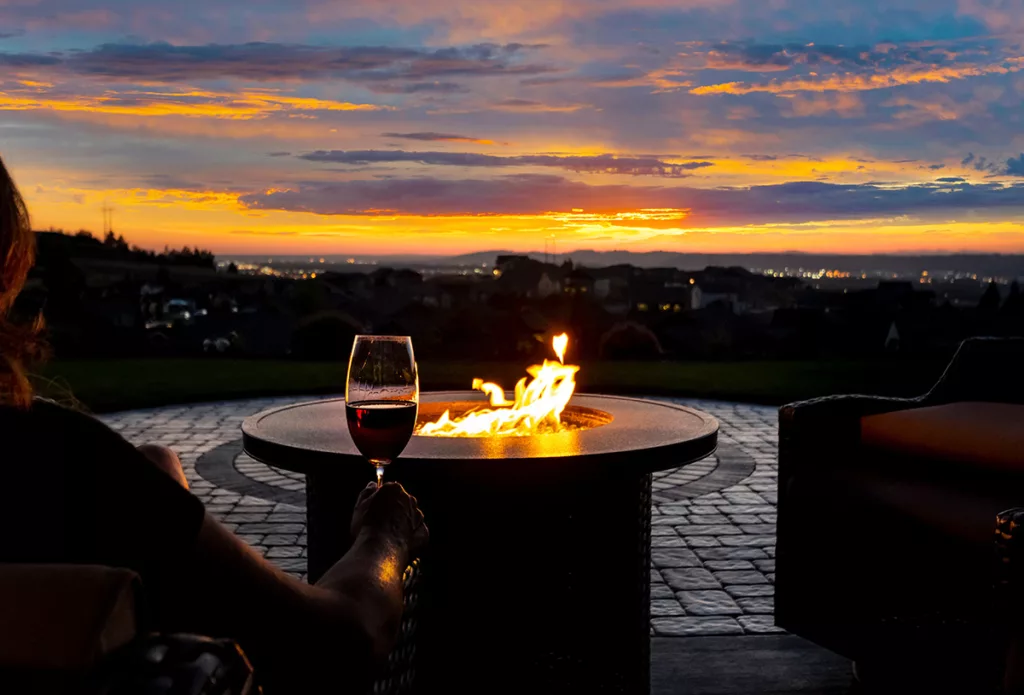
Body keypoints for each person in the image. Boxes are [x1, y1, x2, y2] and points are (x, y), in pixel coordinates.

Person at [0, 155, 427, 691]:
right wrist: (384, 534)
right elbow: (340, 639)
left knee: (158, 460)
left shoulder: (77, 473)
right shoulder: (56, 461)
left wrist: (153, 491)